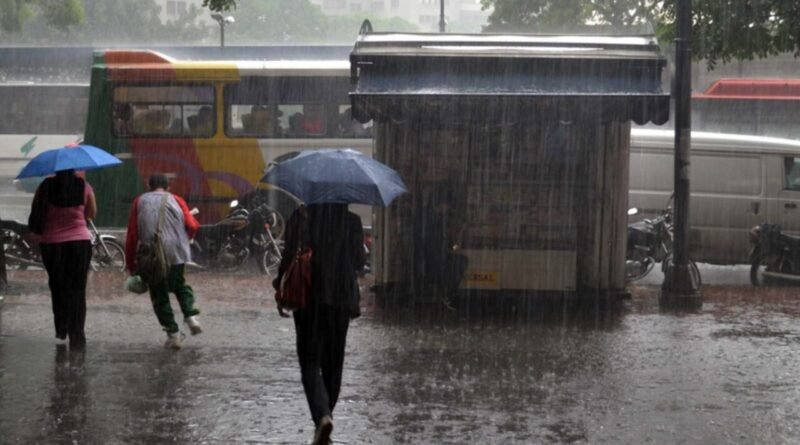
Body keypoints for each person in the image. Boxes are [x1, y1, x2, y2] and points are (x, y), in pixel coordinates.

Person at [273, 204, 365, 445]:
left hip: (308, 297)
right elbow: (359, 261)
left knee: (310, 362)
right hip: (341, 299)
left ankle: (322, 416)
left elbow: (289, 255)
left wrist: (279, 284)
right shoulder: (352, 221)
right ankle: (325, 420)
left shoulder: (300, 217)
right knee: (334, 365)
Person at [125, 174, 202, 350]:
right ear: (168, 187)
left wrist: (130, 264)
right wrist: (185, 238)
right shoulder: (177, 200)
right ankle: (191, 317)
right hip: (176, 252)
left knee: (159, 294)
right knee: (180, 285)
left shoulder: (139, 201)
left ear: (148, 185)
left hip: (152, 255)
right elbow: (192, 226)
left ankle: (173, 335)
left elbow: (132, 234)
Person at [29, 169, 96, 350]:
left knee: (58, 286)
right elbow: (91, 213)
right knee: (77, 289)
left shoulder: (45, 186)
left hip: (52, 245)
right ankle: (77, 335)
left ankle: (61, 328)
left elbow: (36, 214)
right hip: (79, 243)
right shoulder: (85, 187)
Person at [413, 185, 469, 309]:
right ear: (442, 204)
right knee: (460, 263)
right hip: (430, 259)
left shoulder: (429, 215)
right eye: (448, 205)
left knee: (460, 261)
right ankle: (447, 295)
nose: (448, 208)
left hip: (431, 257)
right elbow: (430, 242)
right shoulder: (430, 217)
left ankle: (446, 295)